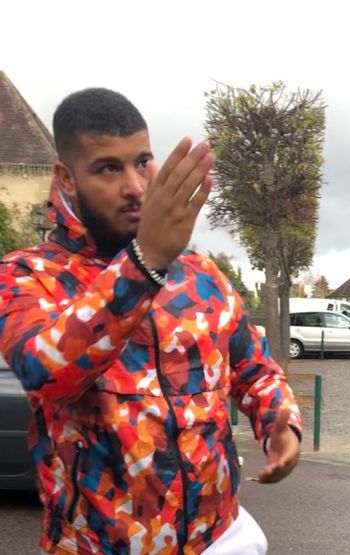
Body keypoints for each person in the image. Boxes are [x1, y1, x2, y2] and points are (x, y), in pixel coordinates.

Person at [0, 88, 302, 555]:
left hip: (220, 537)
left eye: (143, 162)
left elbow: (253, 366)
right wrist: (146, 263)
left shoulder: (200, 273)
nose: (136, 187)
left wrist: (280, 423)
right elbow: (46, 373)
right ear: (67, 178)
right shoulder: (25, 276)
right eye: (108, 168)